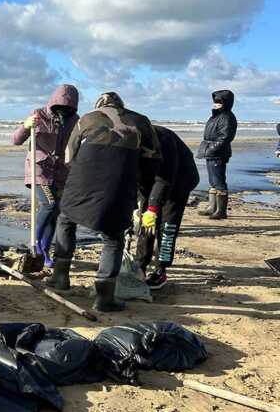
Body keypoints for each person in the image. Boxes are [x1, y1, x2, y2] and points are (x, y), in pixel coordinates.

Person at [47, 92, 161, 312]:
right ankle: (104, 297)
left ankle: (60, 278)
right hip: (118, 184)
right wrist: (140, 187)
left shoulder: (87, 119)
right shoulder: (141, 121)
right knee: (113, 237)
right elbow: (153, 159)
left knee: (66, 220)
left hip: (81, 182)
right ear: (122, 105)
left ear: (99, 105)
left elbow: (69, 157)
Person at [12, 84, 79, 267]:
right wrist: (26, 126)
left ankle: (44, 250)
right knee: (48, 204)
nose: (64, 111)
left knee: (55, 211)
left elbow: (75, 146)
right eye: (60, 107)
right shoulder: (38, 114)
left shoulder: (75, 120)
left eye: (68, 108)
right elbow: (16, 140)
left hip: (60, 172)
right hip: (38, 170)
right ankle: (34, 242)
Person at [135, 125, 199, 290]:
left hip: (179, 180)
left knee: (167, 226)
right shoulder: (127, 143)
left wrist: (153, 208)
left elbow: (165, 179)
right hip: (151, 181)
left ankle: (161, 269)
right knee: (145, 225)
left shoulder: (164, 140)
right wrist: (135, 206)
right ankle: (140, 265)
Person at [197, 90, 237, 220]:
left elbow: (225, 137)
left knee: (219, 181)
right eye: (215, 102)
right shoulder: (216, 116)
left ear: (225, 103)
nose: (216, 104)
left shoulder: (227, 117)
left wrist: (213, 148)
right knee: (212, 181)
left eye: (219, 102)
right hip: (210, 151)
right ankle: (211, 207)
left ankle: (221, 211)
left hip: (218, 153)